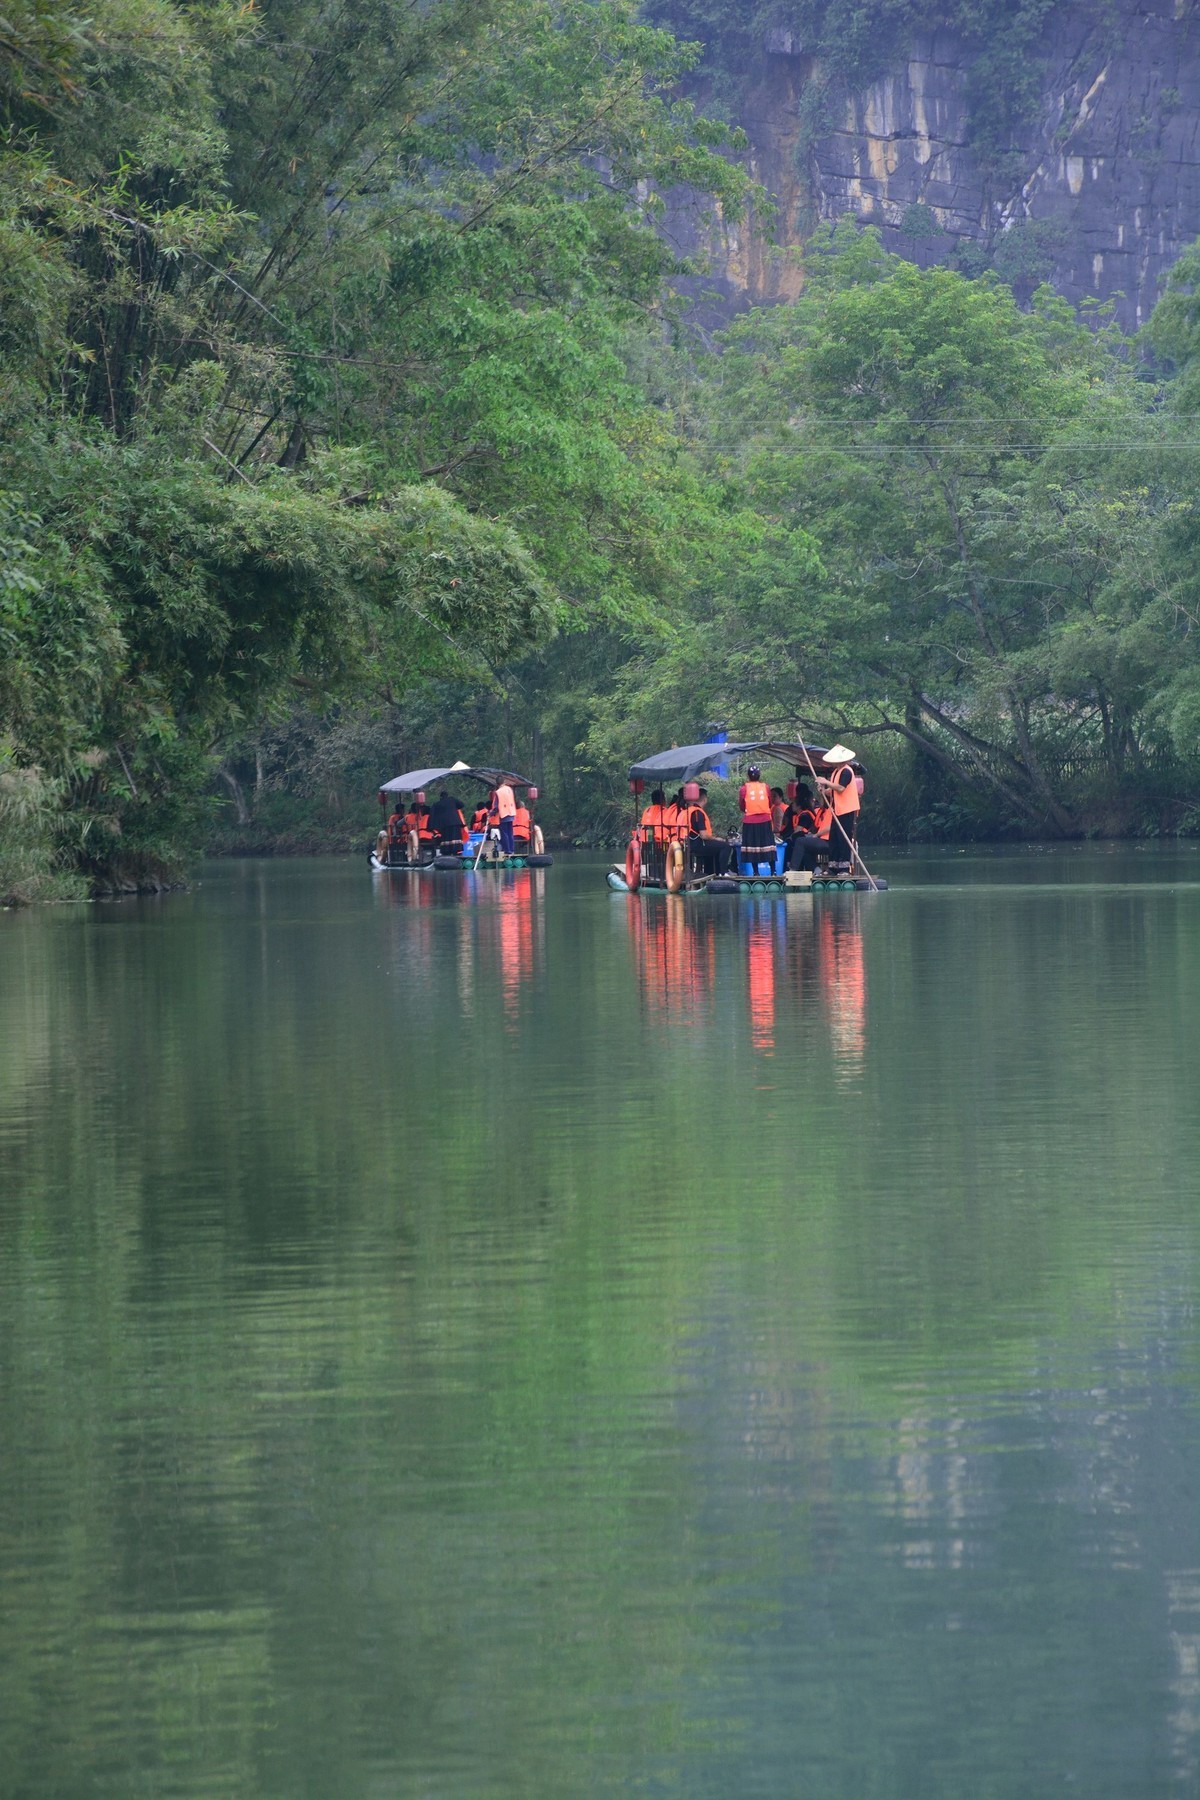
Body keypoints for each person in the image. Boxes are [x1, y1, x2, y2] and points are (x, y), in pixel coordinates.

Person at [822, 744, 861, 870]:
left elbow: (840, 788)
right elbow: (832, 791)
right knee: (834, 838)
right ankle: (833, 866)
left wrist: (826, 782)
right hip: (837, 810)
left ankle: (844, 867)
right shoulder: (836, 772)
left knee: (844, 838)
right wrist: (824, 790)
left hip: (847, 810)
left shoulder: (846, 771)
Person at [738, 764, 775, 861]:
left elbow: (742, 806)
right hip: (765, 820)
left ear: (748, 776)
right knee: (768, 845)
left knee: (752, 847)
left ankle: (755, 869)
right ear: (759, 775)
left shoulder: (744, 789)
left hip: (750, 821)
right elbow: (770, 803)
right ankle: (773, 868)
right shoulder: (766, 787)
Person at [495, 777, 517, 855]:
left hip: (503, 814)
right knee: (510, 832)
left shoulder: (498, 792)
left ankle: (507, 850)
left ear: (497, 783)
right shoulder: (509, 789)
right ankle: (512, 850)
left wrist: (491, 813)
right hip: (511, 813)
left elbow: (496, 806)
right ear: (504, 781)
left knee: (504, 833)